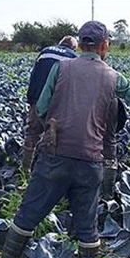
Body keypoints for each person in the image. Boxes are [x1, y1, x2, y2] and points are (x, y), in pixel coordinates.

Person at [0, 21, 130, 258]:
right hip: (91, 160)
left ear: (81, 44)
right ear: (104, 45)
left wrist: (55, 125)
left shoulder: (61, 67)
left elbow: (42, 107)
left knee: (29, 212)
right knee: (87, 224)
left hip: (55, 155)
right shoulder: (112, 76)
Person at [22, 35, 78, 173]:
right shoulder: (73, 58)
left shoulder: (45, 52)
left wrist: (31, 99)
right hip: (56, 101)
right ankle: (46, 169)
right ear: (73, 47)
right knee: (53, 135)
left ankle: (25, 168)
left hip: (37, 96)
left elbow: (34, 75)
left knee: (32, 132)